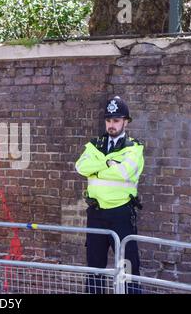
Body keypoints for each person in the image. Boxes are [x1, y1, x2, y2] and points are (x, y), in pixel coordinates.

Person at [75, 96, 144, 294]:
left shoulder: (134, 148)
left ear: (125, 121)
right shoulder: (94, 145)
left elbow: (124, 173)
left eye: (116, 120)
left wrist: (95, 168)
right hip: (96, 213)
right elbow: (80, 166)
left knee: (128, 266)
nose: (111, 125)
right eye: (108, 120)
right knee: (94, 266)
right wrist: (107, 163)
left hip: (121, 214)